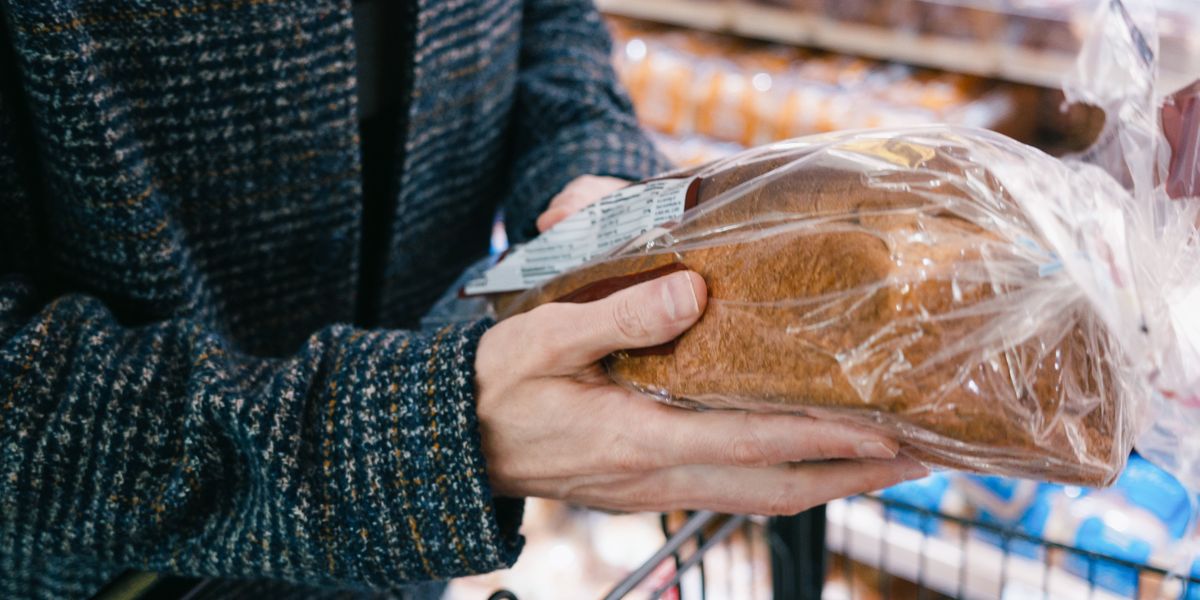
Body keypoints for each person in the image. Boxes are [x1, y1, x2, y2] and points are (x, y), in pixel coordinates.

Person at [0, 0, 926, 597]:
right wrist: (431, 431)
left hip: (411, 556)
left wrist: (595, 184)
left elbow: (550, 27)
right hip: (116, 563)